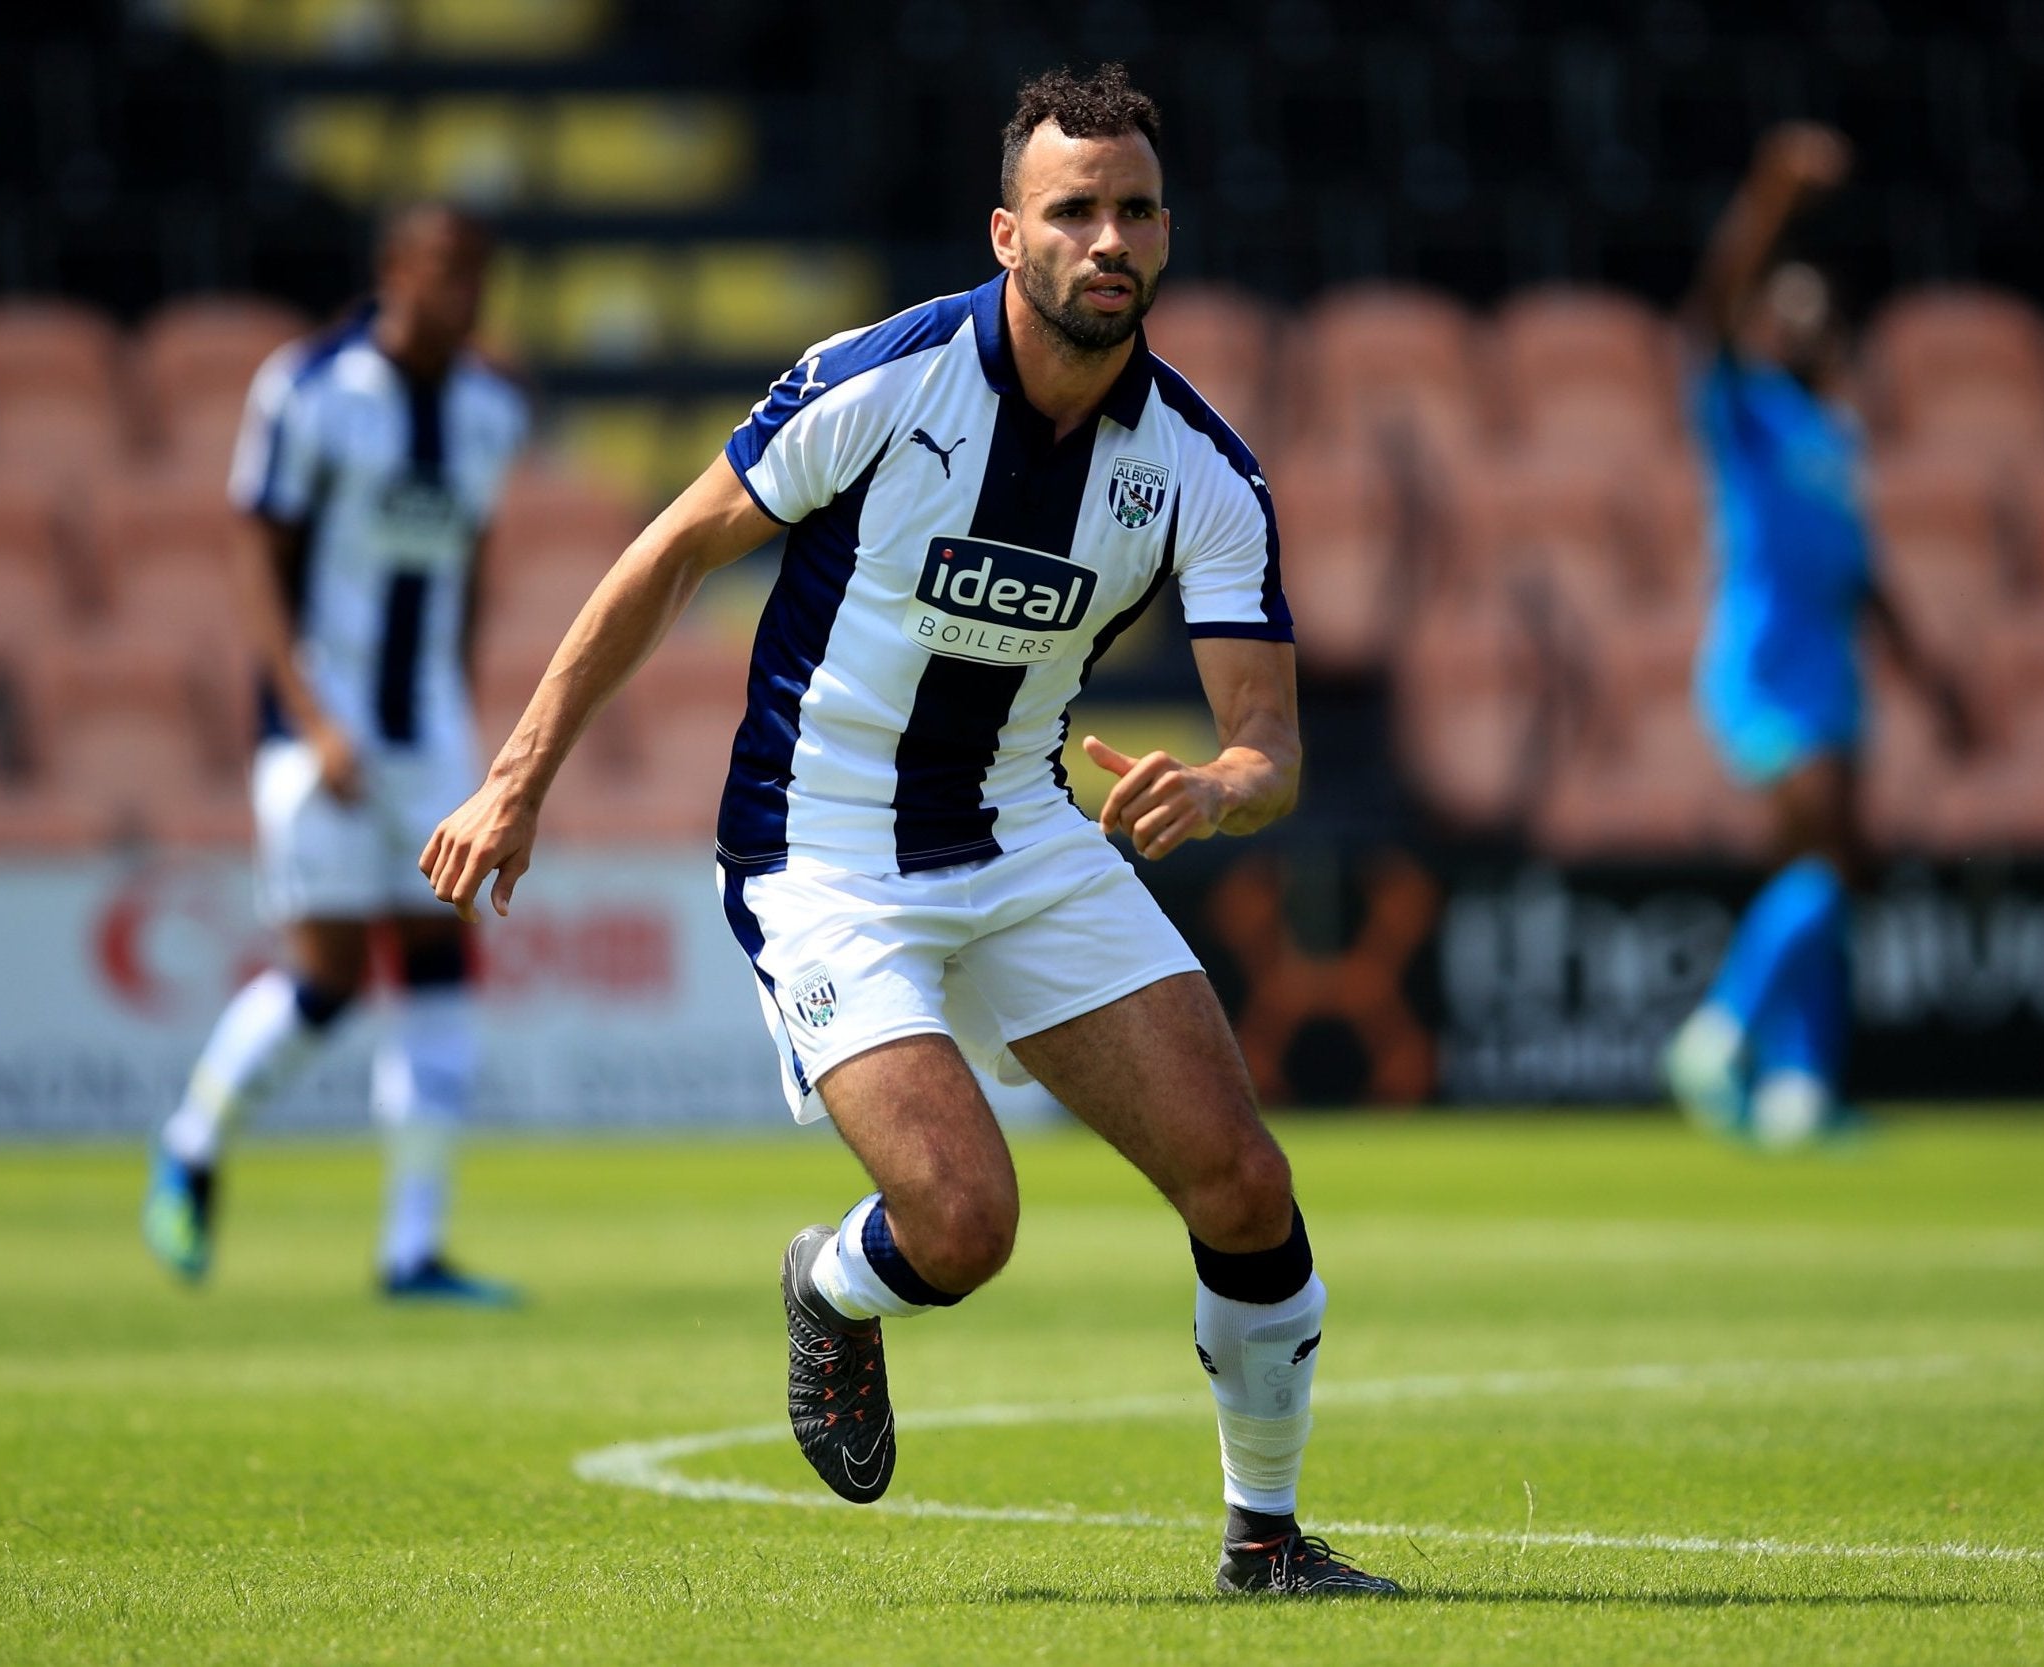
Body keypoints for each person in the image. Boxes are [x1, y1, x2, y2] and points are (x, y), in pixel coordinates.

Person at [421, 65, 1400, 1597]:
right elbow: (674, 549)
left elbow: (1268, 742)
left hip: (1020, 830)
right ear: (1006, 234)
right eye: (1073, 210)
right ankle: (832, 1278)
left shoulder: (1198, 469)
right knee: (963, 1216)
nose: (1109, 238)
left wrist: (1217, 787)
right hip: (821, 848)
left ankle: (1263, 1540)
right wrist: (516, 774)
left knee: (1245, 1183)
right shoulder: (887, 381)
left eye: (1135, 209)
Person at [143, 204, 530, 1302]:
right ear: (393, 272)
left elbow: (471, 560)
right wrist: (311, 717)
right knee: (330, 974)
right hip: (319, 731)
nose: (461, 298)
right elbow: (255, 556)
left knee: (443, 963)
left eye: (476, 278)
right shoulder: (309, 389)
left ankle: (413, 1248)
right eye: (442, 274)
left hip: (424, 730)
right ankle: (192, 1141)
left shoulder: (489, 410)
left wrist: (452, 706)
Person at [1664, 125, 1973, 1148]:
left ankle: (1799, 1087)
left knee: (1825, 870)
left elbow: (1860, 571)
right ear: (1760, 331)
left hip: (1829, 673)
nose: (1803, 322)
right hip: (1764, 667)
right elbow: (1706, 308)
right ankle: (1721, 1032)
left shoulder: (1831, 436)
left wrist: (1928, 679)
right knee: (1831, 862)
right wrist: (1766, 194)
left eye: (1818, 312)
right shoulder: (1741, 410)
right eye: (1782, 310)